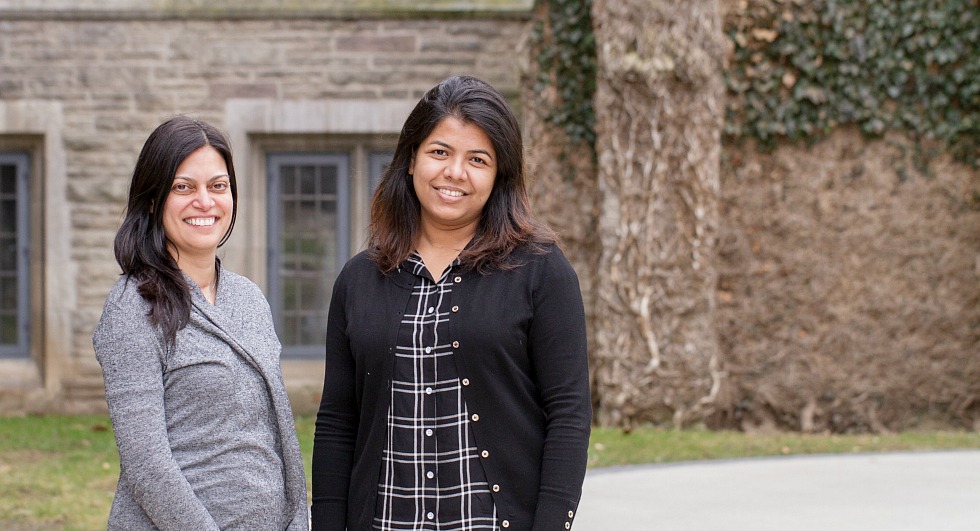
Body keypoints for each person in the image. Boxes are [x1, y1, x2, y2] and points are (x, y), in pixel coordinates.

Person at [312, 75, 592, 530]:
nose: (454, 173)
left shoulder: (542, 271)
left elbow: (569, 414)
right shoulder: (358, 280)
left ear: (499, 174)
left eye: (477, 159)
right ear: (410, 161)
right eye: (440, 152)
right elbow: (337, 422)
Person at [93, 116, 309, 530]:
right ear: (154, 199)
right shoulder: (131, 308)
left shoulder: (248, 298)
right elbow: (146, 466)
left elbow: (276, 431)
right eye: (183, 187)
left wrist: (298, 519)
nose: (205, 202)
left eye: (218, 186)